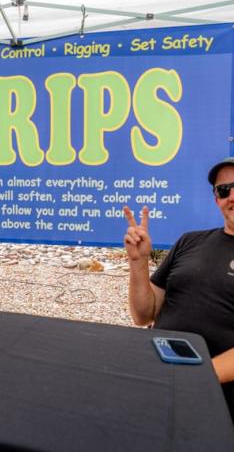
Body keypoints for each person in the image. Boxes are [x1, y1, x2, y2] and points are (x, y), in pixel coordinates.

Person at [123, 157, 234, 421]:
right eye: (224, 189)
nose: (232, 196)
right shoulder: (189, 241)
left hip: (217, 400)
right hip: (159, 381)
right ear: (216, 199)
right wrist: (138, 262)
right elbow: (143, 314)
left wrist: (196, 377)